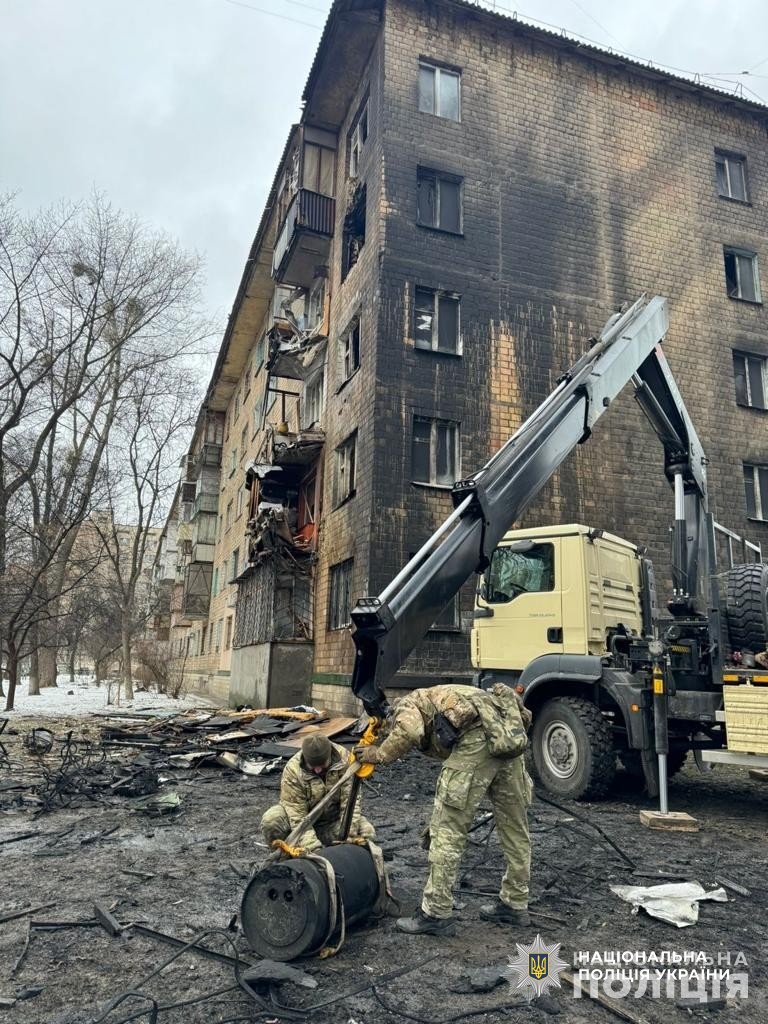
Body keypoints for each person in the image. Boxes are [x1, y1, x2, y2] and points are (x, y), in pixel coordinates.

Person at [354, 683, 533, 936]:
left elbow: (409, 730)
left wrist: (379, 753)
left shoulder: (407, 703)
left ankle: (436, 912)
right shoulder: (450, 692)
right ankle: (515, 903)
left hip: (475, 743)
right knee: (516, 829)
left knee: (447, 829)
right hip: (506, 740)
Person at [261, 733, 375, 853]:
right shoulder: (293, 771)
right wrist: (314, 850)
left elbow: (350, 802)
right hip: (301, 827)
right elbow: (297, 816)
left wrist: (348, 834)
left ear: (330, 756)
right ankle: (286, 857)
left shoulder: (345, 760)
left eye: (322, 765)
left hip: (331, 822)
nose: (318, 770)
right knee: (271, 820)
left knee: (366, 832)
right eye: (312, 766)